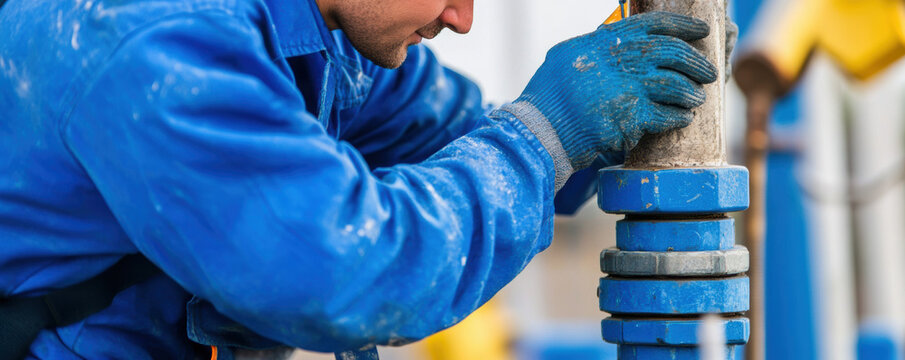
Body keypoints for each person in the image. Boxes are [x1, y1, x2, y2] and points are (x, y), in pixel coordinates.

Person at [0, 0, 724, 358]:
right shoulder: (159, 42)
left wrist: (610, 99)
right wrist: (549, 133)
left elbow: (469, 138)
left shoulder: (321, 40)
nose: (461, 18)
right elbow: (348, 269)